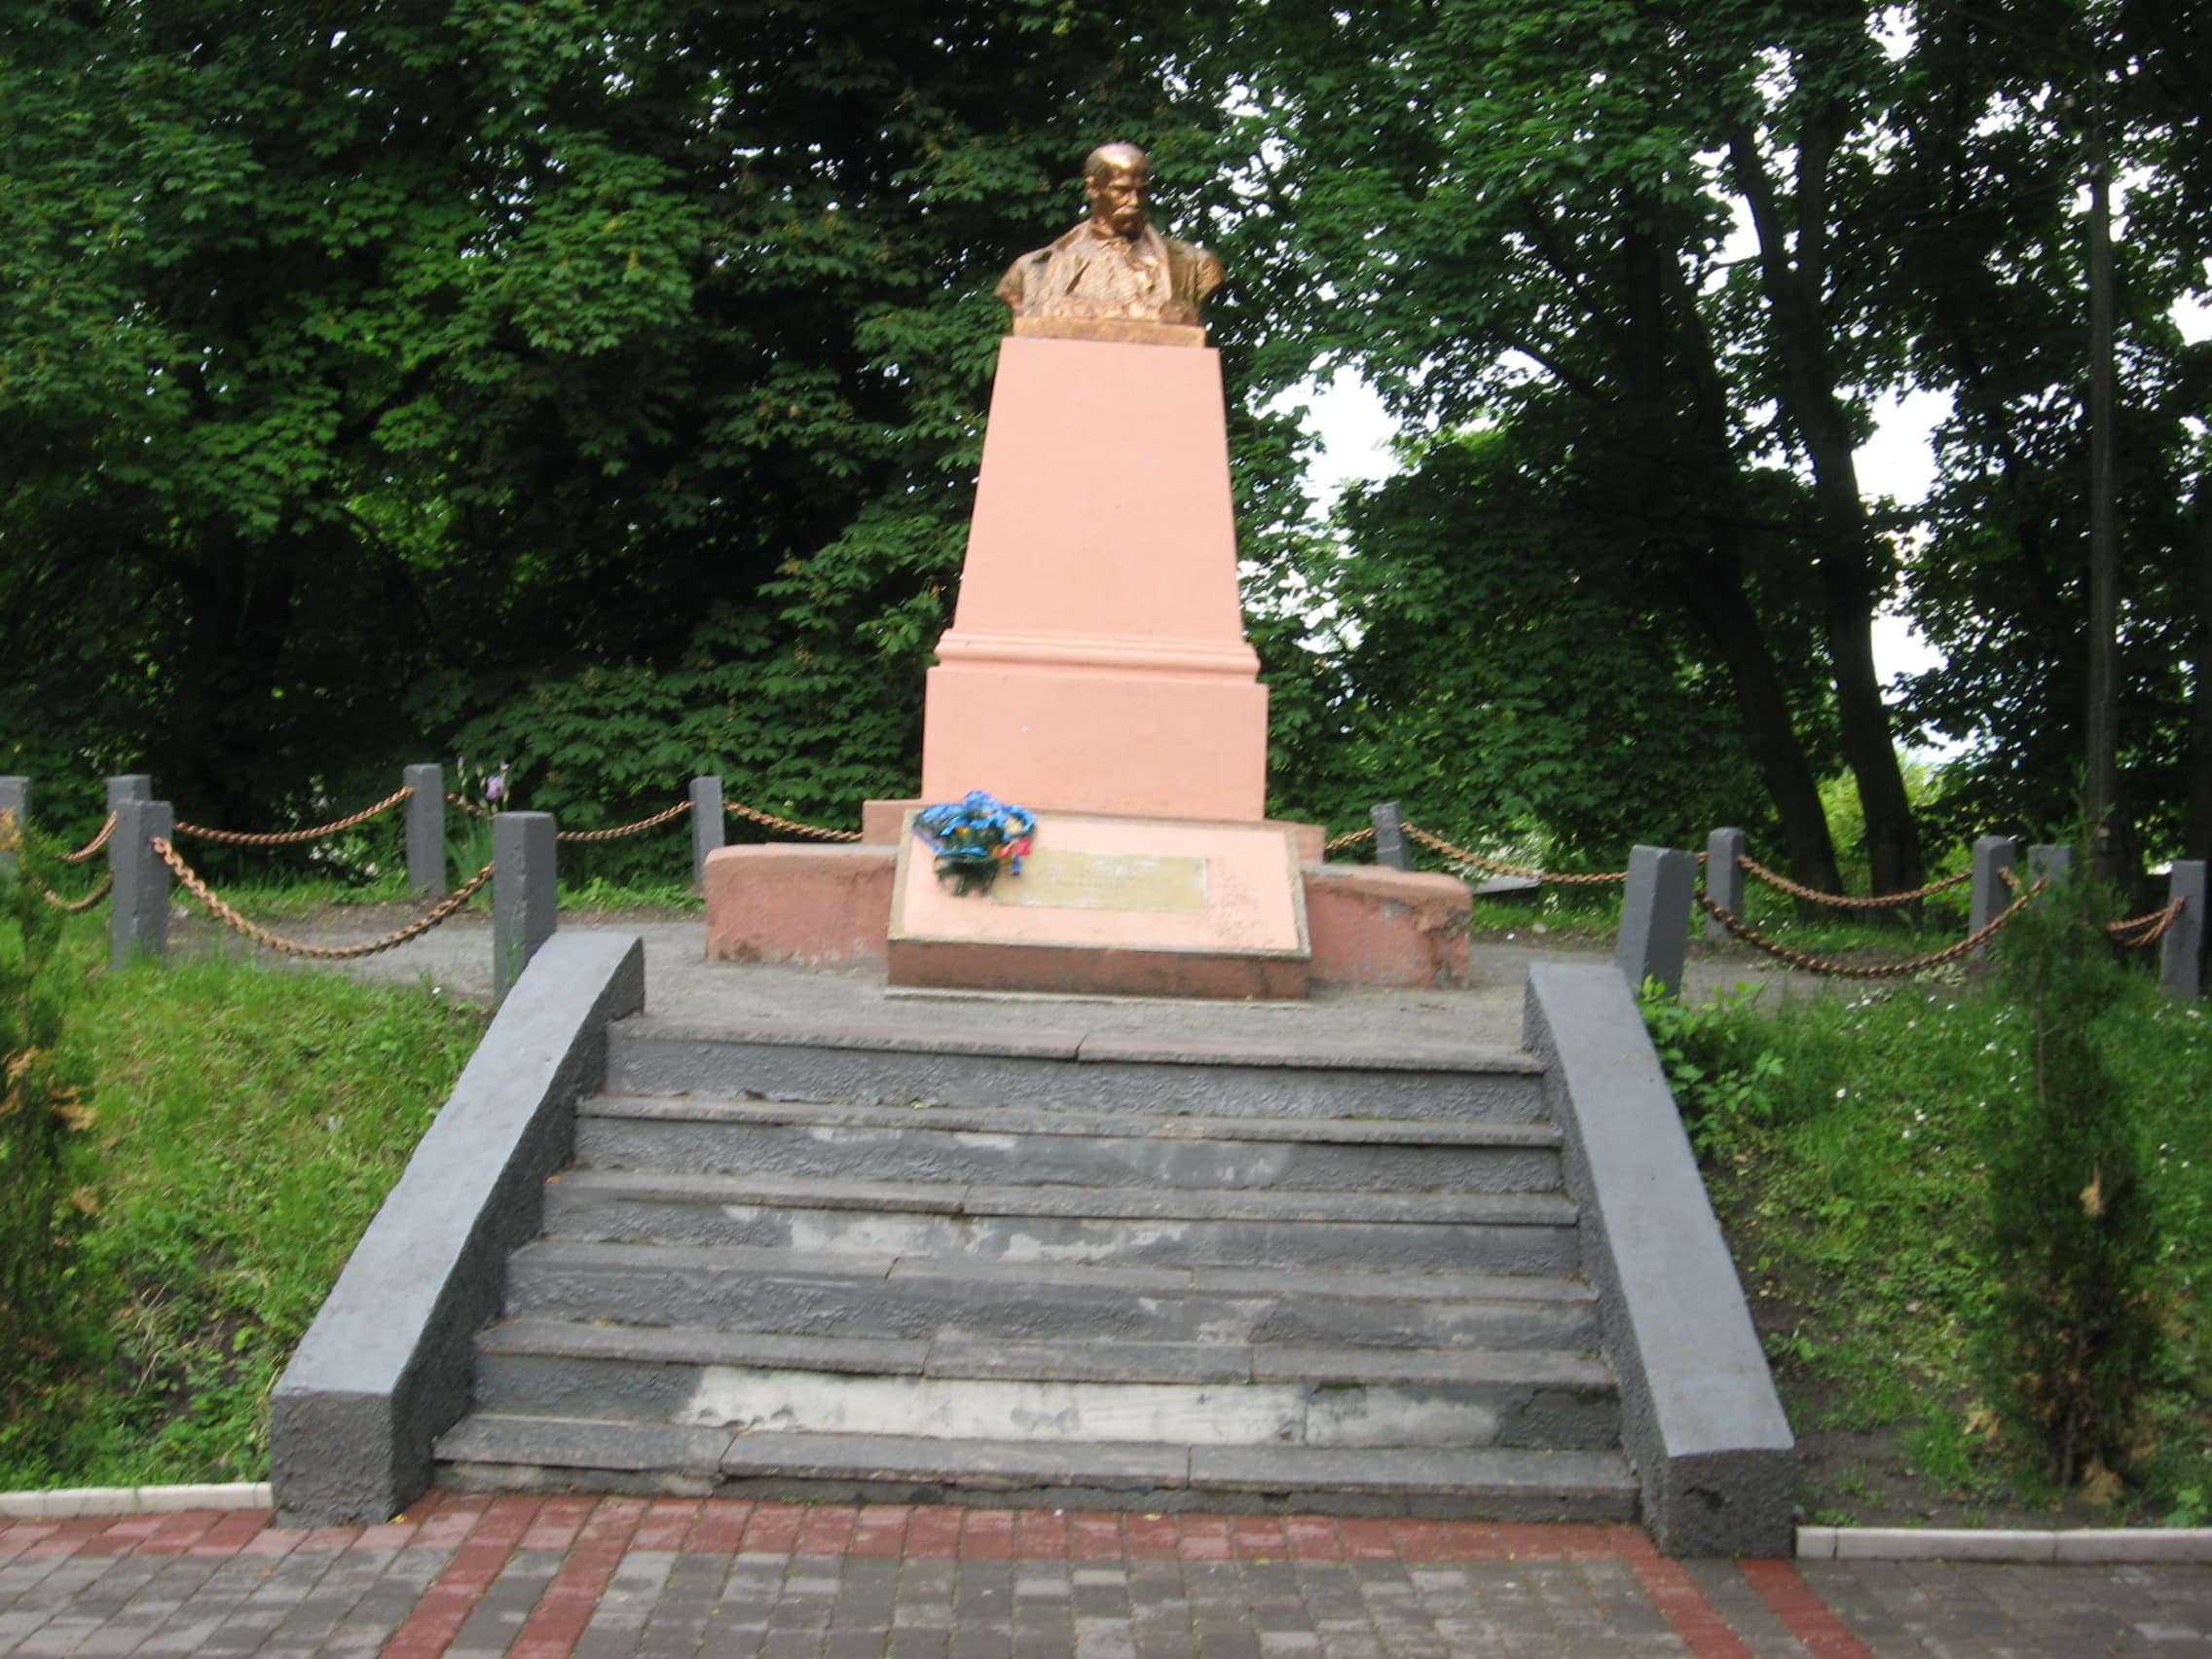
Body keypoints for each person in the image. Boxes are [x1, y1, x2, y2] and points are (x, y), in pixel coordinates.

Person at [995, 143, 1223, 327]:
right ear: (1092, 189)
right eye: (1121, 191)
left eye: (1141, 191)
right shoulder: (1032, 269)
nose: (1134, 202)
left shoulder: (1195, 263)